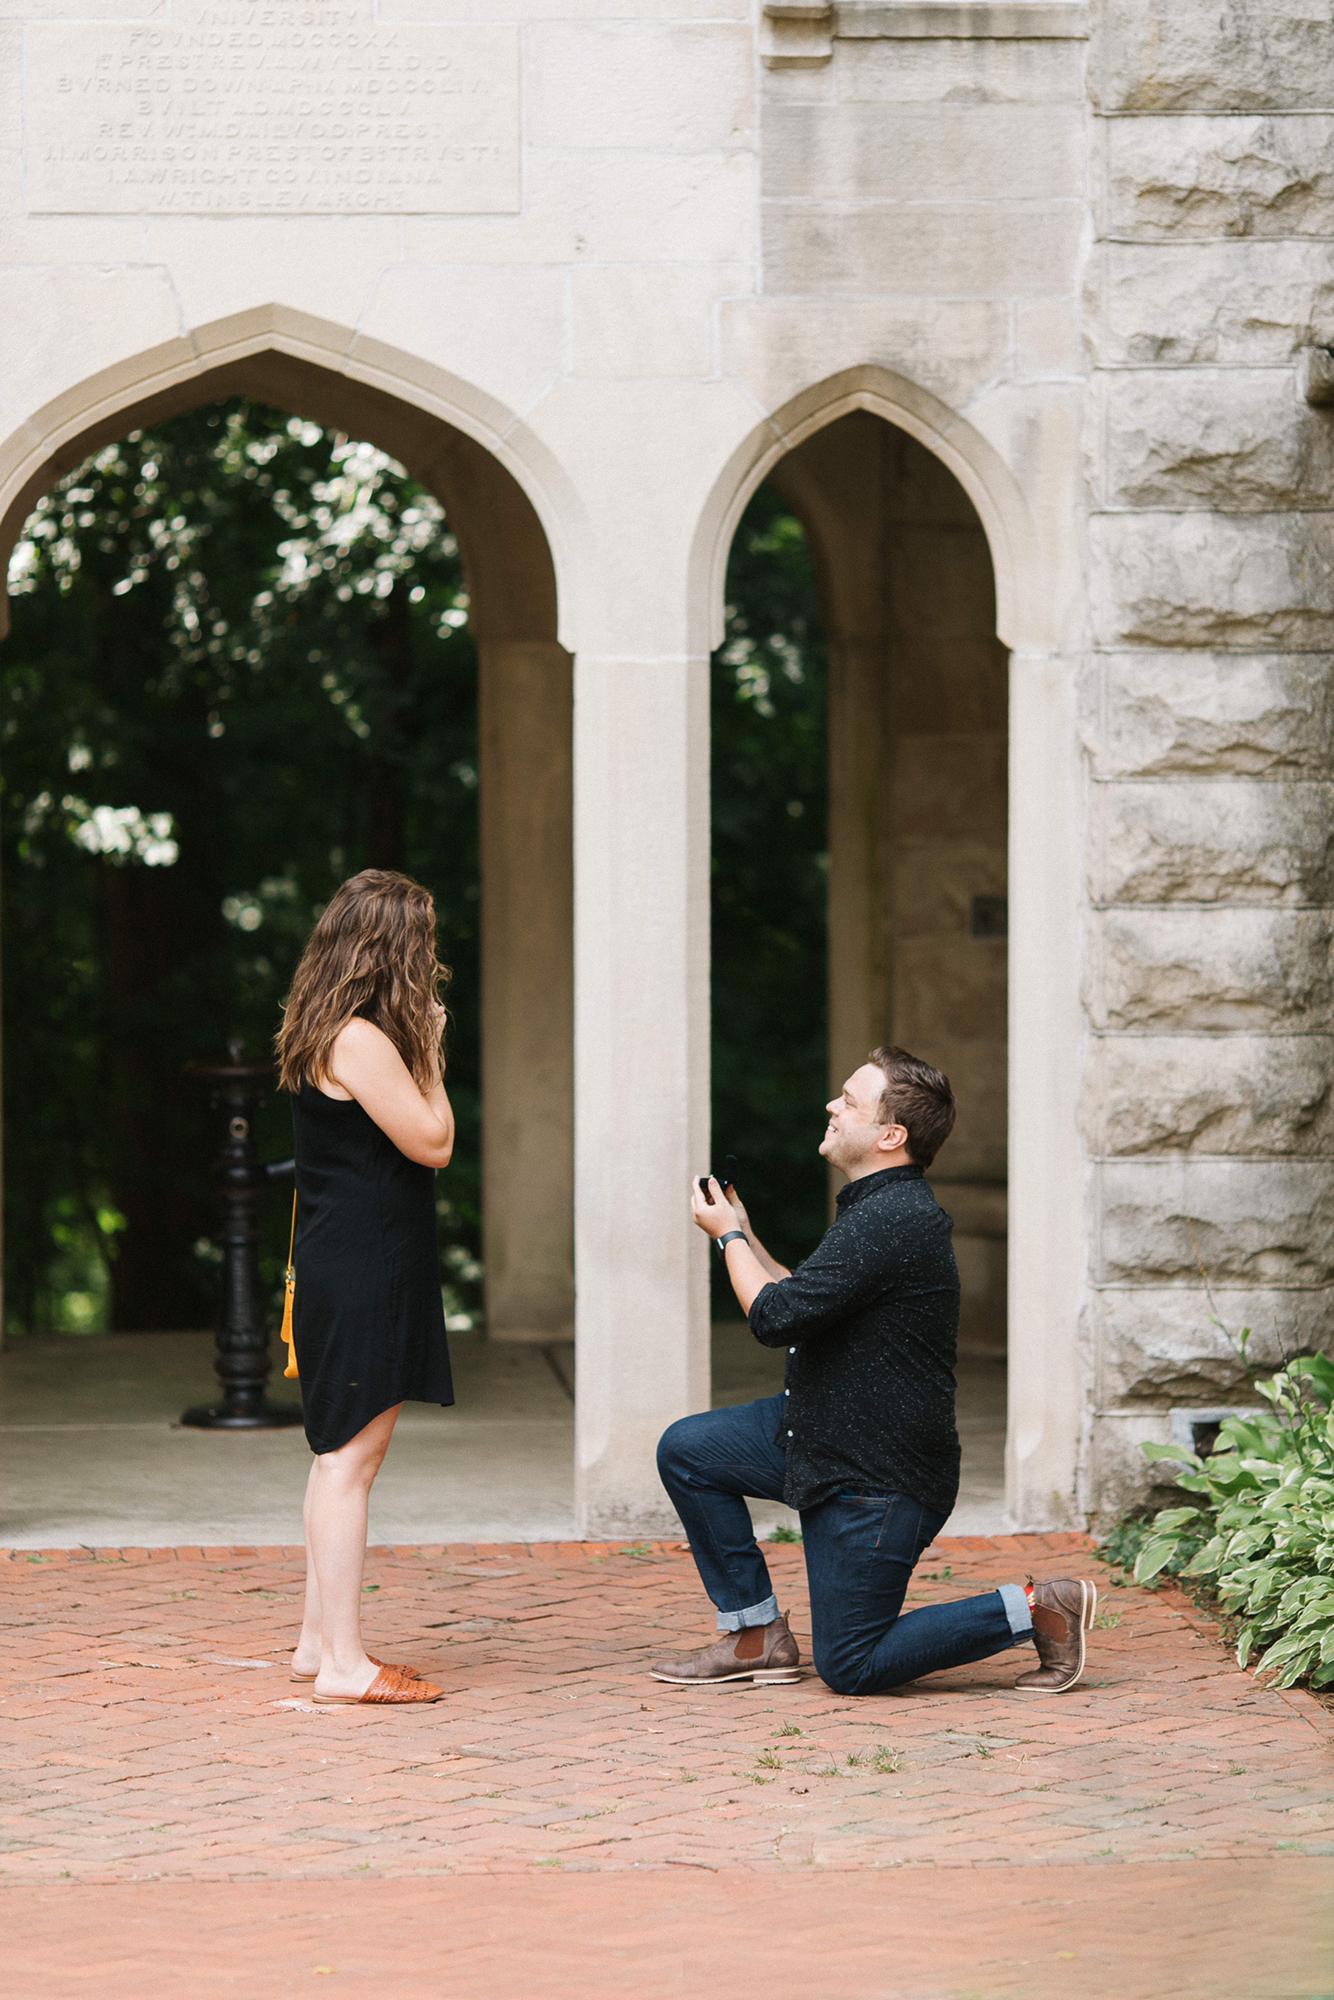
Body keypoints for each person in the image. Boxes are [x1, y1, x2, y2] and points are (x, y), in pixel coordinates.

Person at [652, 1046, 1096, 1697]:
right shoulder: (878, 1209)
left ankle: (1038, 1607)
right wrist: (744, 1228)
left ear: (891, 1135)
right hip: (822, 1434)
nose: (832, 1106)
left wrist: (728, 1239)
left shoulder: (894, 1219)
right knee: (689, 1450)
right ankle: (755, 1636)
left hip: (876, 1476)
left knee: (852, 1664)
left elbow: (774, 1318)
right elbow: (801, 1298)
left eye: (850, 1101)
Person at [275, 868, 456, 1707]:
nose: (432, 961)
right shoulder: (361, 1040)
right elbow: (433, 1141)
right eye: (423, 943)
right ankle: (345, 1665)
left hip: (350, 1259)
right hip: (363, 1265)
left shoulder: (327, 1028)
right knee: (349, 1458)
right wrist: (434, 1053)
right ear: (393, 950)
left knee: (342, 1457)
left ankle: (319, 1642)